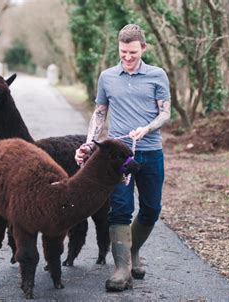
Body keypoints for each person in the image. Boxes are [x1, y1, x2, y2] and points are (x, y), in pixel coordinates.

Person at [75, 24, 170, 291]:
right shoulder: (107, 76)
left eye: (132, 52)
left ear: (143, 48)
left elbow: (165, 113)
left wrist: (148, 127)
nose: (127, 57)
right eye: (123, 52)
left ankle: (132, 252)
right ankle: (121, 270)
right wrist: (89, 144)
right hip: (116, 157)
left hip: (150, 151)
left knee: (152, 208)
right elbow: (100, 113)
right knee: (120, 210)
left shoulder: (157, 75)